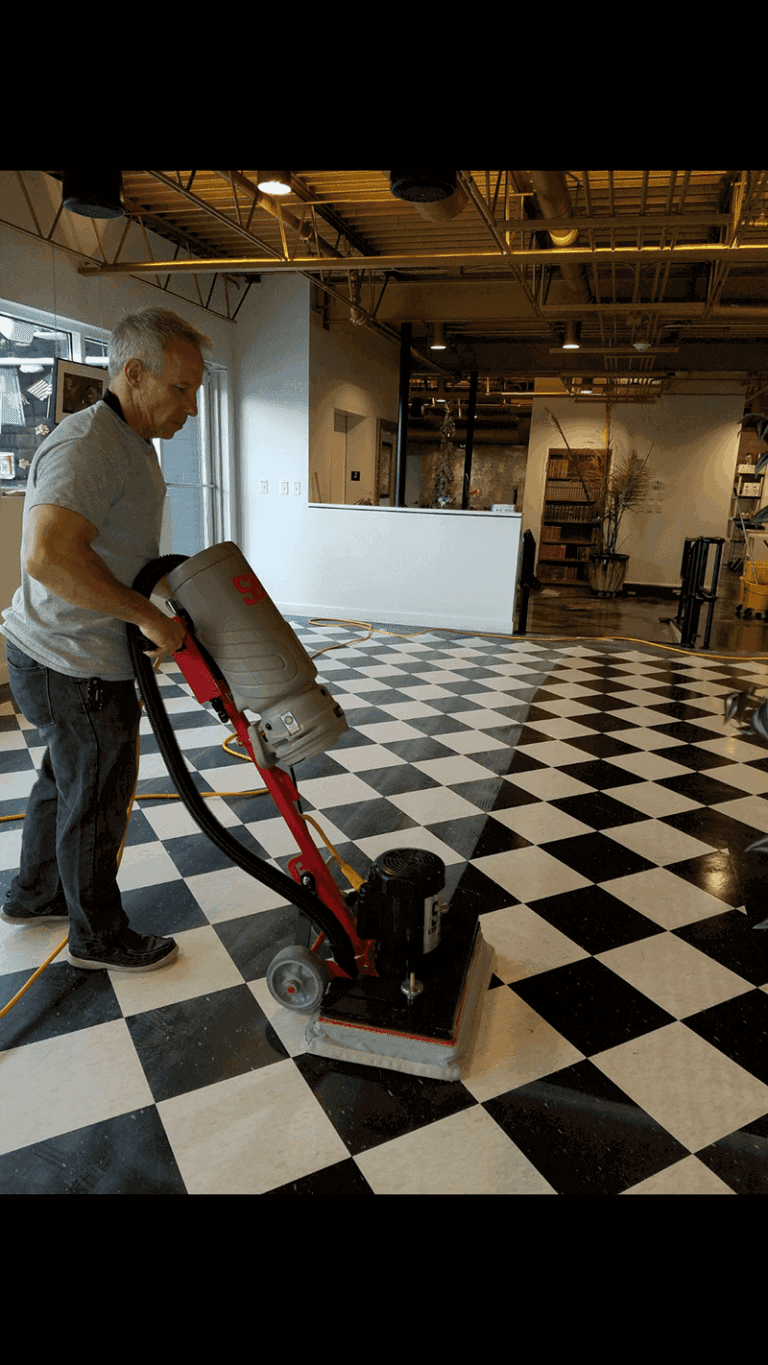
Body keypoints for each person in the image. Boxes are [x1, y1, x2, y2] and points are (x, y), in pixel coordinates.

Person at [0, 307, 211, 972]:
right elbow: (47, 554)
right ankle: (98, 935)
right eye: (182, 389)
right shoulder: (89, 441)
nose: (193, 407)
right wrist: (145, 617)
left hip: (61, 649)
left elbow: (104, 549)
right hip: (75, 660)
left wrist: (148, 602)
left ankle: (36, 893)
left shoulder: (128, 441)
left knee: (67, 779)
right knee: (96, 792)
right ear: (134, 372)